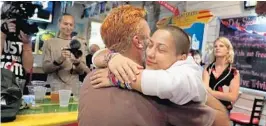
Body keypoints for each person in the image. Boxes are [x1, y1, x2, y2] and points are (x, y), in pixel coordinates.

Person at [79, 5, 230, 126]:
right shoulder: (158, 97)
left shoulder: (90, 79)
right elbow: (222, 121)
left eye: (161, 49)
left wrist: (111, 58)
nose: (151, 53)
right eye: (150, 42)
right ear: (138, 42)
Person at [91, 25, 207, 105]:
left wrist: (117, 77)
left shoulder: (190, 73)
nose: (150, 54)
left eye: (161, 50)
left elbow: (168, 85)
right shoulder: (152, 62)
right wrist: (113, 58)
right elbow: (97, 56)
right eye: (150, 45)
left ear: (181, 57)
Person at [42, 13, 87, 94]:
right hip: (54, 89)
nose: (68, 27)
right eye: (65, 24)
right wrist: (59, 60)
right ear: (59, 24)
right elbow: (45, 69)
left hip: (73, 89)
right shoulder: (49, 43)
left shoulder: (79, 44)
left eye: (71, 25)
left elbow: (82, 71)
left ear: (73, 27)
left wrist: (77, 63)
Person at [202, 37, 240, 113]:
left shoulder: (233, 72)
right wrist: (223, 95)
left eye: (221, 46)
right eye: (215, 46)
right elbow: (204, 90)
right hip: (207, 108)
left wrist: (211, 92)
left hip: (223, 110)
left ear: (228, 50)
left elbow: (233, 97)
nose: (217, 48)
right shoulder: (208, 69)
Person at [1, 19, 33, 93]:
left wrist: (27, 44)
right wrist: (2, 33)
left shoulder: (23, 32)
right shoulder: (2, 29)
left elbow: (28, 68)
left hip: (17, 82)